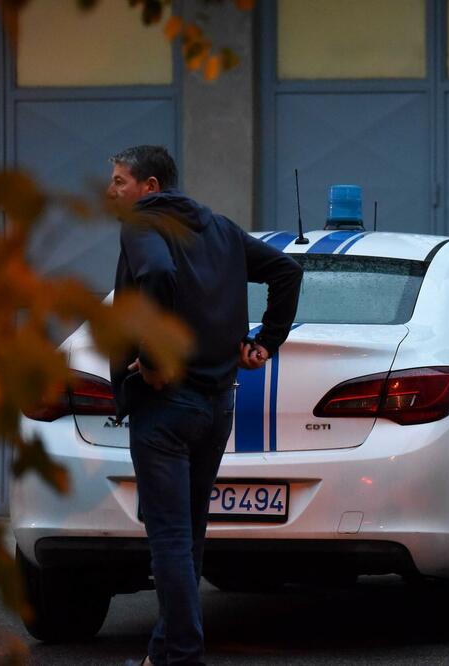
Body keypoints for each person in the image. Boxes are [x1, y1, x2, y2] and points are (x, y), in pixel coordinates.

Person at [106, 145, 302, 665]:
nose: (112, 192)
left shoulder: (143, 226)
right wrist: (267, 342)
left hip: (165, 406)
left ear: (150, 187)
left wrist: (153, 357)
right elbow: (286, 271)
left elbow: (154, 278)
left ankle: (184, 656)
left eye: (120, 181)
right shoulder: (219, 227)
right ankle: (163, 653)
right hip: (217, 406)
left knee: (169, 538)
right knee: (187, 536)